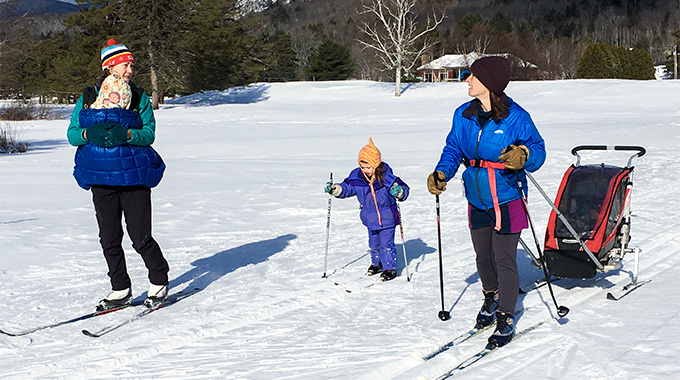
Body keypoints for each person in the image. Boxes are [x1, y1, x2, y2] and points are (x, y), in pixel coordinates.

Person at [427, 56, 545, 347]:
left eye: (472, 76)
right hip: (477, 198)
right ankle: (491, 297)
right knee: (483, 256)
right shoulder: (463, 115)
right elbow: (453, 148)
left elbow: (538, 150)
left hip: (507, 198)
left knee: (504, 258)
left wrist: (524, 156)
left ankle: (506, 315)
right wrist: (442, 172)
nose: (466, 80)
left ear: (489, 83)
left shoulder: (517, 117)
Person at [67, 39, 169, 311]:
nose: (130, 70)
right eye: (126, 64)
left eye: (132, 65)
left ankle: (159, 280)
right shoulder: (89, 97)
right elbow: (73, 134)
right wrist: (89, 134)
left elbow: (149, 134)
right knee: (109, 239)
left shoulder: (139, 98)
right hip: (101, 179)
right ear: (110, 66)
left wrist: (126, 134)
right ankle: (120, 288)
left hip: (133, 179)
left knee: (140, 237)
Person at [325, 138, 410, 281]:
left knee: (386, 244)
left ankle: (390, 268)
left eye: (368, 167)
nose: (365, 170)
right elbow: (347, 188)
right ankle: (377, 263)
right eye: (362, 167)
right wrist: (336, 189)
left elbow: (404, 190)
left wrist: (399, 192)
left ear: (376, 165)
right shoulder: (358, 178)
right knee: (374, 243)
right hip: (370, 218)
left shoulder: (387, 178)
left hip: (387, 217)